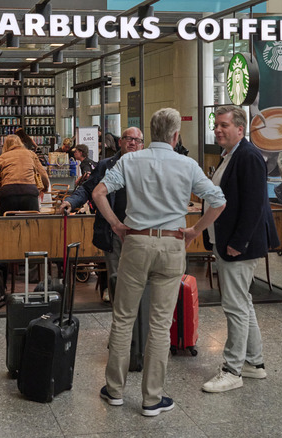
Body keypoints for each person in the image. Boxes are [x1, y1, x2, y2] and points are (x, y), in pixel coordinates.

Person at [93, 107, 226, 417]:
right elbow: (218, 201)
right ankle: (152, 398)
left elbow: (99, 192)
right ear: (176, 135)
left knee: (124, 317)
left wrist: (116, 224)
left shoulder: (129, 160)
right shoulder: (187, 164)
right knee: (160, 323)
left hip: (135, 241)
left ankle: (114, 389)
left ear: (150, 134)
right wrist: (194, 230)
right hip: (172, 242)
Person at [200, 105, 279, 392]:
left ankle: (232, 369)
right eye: (217, 125)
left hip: (238, 246)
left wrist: (238, 242)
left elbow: (254, 205)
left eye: (224, 125)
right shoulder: (230, 156)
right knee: (242, 303)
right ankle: (254, 363)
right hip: (226, 241)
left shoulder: (248, 156)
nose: (218, 130)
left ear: (240, 129)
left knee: (234, 306)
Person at [59, 127, 144, 302]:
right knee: (116, 280)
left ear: (142, 145)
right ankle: (119, 318)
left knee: (140, 280)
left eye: (137, 140)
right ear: (120, 142)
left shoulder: (148, 166)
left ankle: (139, 319)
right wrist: (71, 202)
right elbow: (88, 189)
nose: (133, 142)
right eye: (128, 138)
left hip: (141, 232)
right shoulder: (106, 165)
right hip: (113, 231)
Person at [0, 134, 49, 214]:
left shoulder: (2, 157)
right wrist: (45, 187)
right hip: (29, 192)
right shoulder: (31, 154)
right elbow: (43, 174)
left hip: (8, 193)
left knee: (8, 223)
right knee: (32, 223)